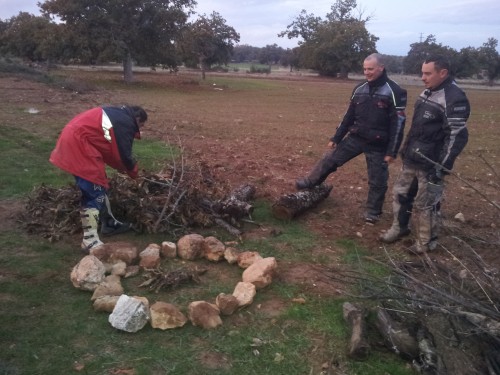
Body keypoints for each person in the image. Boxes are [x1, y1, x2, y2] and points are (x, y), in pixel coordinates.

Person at [295, 53, 407, 224]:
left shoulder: (395, 91)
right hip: (356, 137)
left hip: (379, 144)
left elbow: (398, 124)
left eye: (370, 69)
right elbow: (348, 117)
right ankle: (311, 182)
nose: (367, 72)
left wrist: (392, 151)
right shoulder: (359, 89)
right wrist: (336, 138)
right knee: (330, 159)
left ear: (381, 68)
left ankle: (373, 211)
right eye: (364, 69)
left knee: (377, 179)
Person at [380, 55, 470, 253]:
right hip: (412, 158)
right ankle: (400, 228)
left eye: (427, 73)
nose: (423, 77)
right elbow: (417, 127)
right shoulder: (427, 92)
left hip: (431, 164)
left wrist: (441, 167)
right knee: (401, 194)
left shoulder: (454, 98)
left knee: (426, 204)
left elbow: (457, 137)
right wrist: (405, 149)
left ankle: (426, 241)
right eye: (422, 72)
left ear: (442, 73)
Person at [50, 105, 148, 252]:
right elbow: (123, 153)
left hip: (77, 141)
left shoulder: (117, 115)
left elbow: (109, 148)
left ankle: (109, 223)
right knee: (95, 192)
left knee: (100, 185)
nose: (139, 129)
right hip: (80, 146)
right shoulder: (126, 122)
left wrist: (122, 167)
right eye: (141, 125)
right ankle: (89, 240)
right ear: (138, 118)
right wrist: (133, 172)